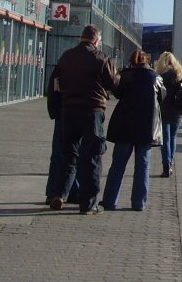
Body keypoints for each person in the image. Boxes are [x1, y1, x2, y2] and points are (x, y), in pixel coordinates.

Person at [49, 24, 118, 215]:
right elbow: (113, 83)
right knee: (92, 157)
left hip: (68, 111)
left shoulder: (66, 56)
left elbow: (54, 83)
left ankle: (60, 194)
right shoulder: (102, 58)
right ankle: (88, 204)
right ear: (96, 40)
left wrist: (55, 109)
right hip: (92, 112)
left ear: (82, 38)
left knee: (68, 155)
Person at [100, 50, 165, 212]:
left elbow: (118, 93)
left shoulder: (126, 75)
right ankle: (138, 203)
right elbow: (163, 96)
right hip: (146, 127)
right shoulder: (155, 77)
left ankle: (109, 201)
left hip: (125, 126)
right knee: (142, 166)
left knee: (118, 165)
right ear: (147, 61)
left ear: (132, 61)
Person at [44, 65, 79, 206]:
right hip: (84, 114)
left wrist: (54, 111)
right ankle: (74, 192)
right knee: (78, 155)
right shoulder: (95, 62)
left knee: (58, 154)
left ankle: (53, 192)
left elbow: (53, 90)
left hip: (63, 113)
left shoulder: (64, 62)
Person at [155, 51, 182, 177]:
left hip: (164, 110)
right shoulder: (180, 74)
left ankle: (166, 167)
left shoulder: (160, 75)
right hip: (178, 111)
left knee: (165, 139)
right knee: (173, 137)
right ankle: (170, 163)